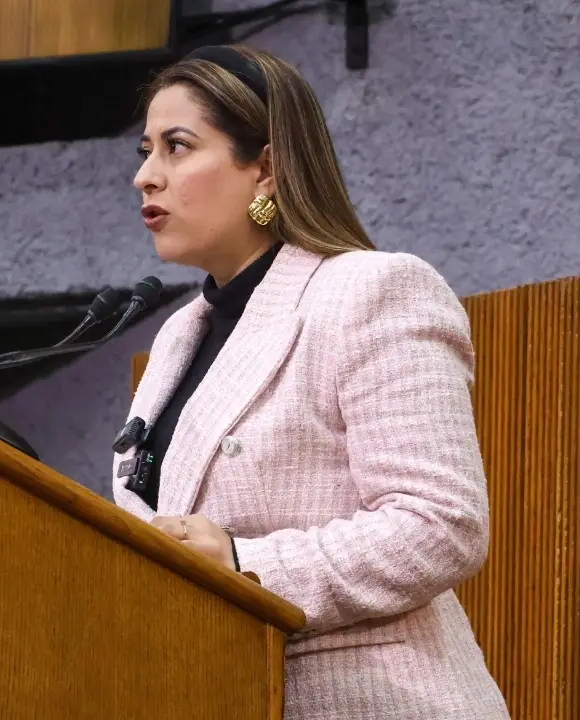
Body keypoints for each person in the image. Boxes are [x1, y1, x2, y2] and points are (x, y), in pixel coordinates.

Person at [113, 44, 510, 720]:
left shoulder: (371, 291)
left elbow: (441, 525)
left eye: (177, 147)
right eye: (146, 151)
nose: (145, 177)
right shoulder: (180, 336)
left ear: (267, 168)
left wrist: (244, 562)